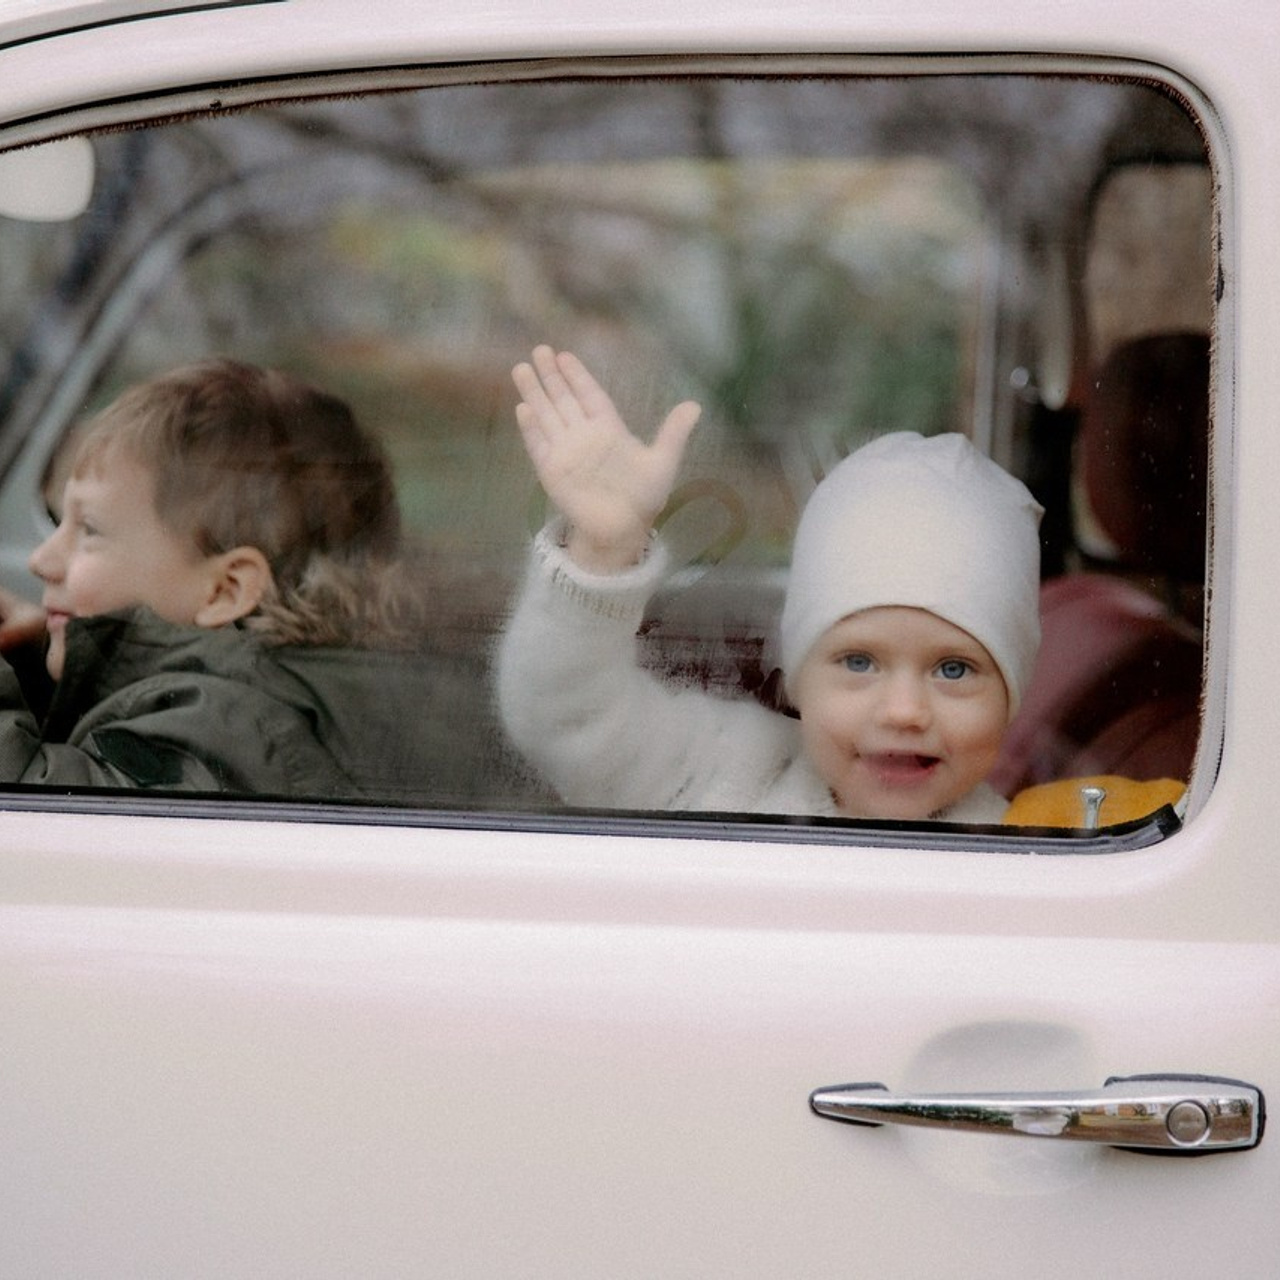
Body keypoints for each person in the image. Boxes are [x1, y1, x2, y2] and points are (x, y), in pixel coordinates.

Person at [497, 345, 1044, 822]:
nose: (903, 710)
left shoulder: (1037, 857)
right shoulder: (734, 769)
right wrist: (602, 550)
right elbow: (568, 719)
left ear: (1009, 696)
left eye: (954, 669)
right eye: (858, 662)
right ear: (797, 676)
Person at [0, 357, 496, 800]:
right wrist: (33, 658)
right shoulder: (289, 694)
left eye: (89, 530)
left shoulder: (230, 728)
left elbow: (55, 813)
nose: (43, 559)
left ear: (226, 590)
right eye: (57, 519)